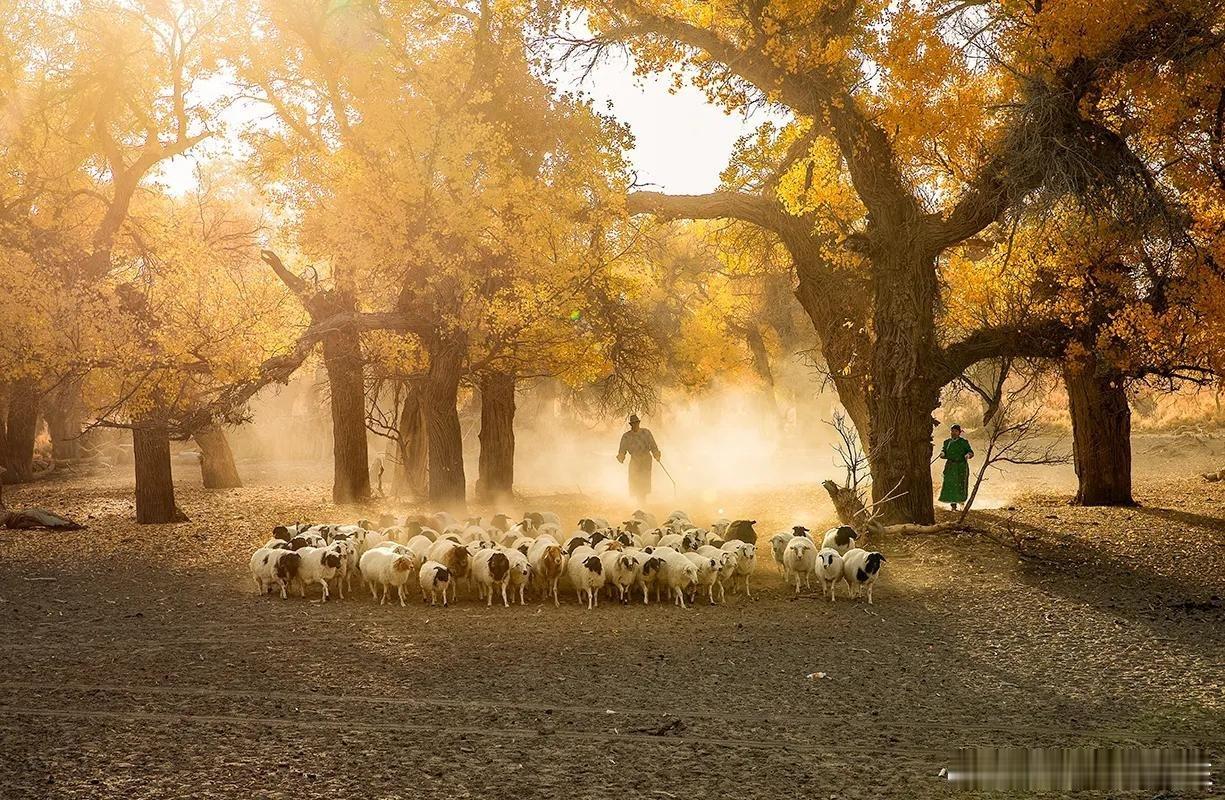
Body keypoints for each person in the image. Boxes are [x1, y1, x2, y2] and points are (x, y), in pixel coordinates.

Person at [617, 414, 661, 505]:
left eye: (636, 423)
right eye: (633, 423)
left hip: (646, 459)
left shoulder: (646, 432)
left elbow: (653, 445)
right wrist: (621, 457)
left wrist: (656, 454)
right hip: (635, 459)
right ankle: (639, 500)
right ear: (631, 425)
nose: (635, 425)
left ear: (639, 423)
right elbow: (622, 449)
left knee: (644, 479)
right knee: (634, 479)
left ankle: (642, 500)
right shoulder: (626, 436)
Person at [938, 424, 974, 511]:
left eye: (955, 431)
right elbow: (944, 451)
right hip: (950, 466)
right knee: (950, 485)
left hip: (961, 466)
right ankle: (953, 506)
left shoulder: (964, 442)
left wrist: (968, 455)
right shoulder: (947, 442)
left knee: (961, 484)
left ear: (959, 432)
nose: (953, 433)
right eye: (952, 431)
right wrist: (942, 453)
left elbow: (971, 452)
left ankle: (961, 502)